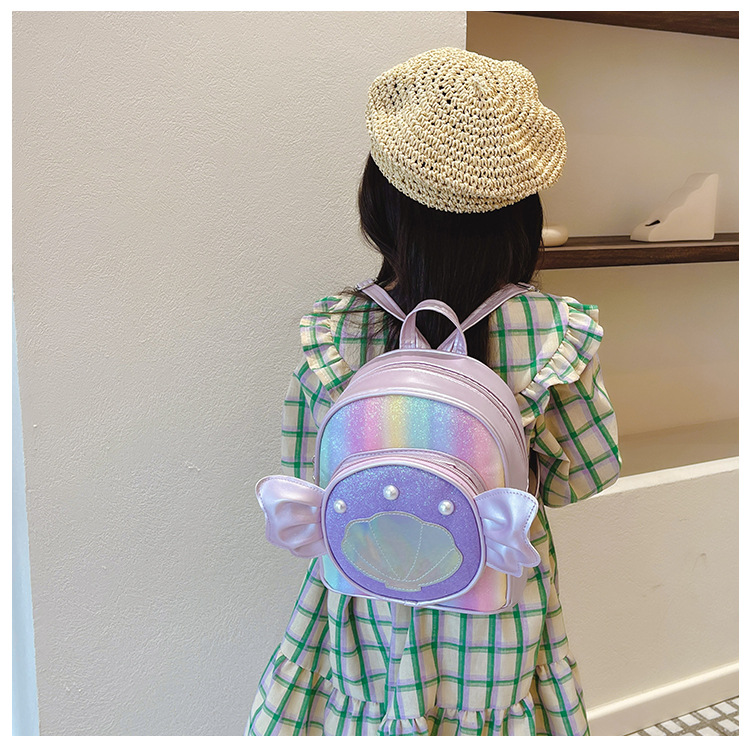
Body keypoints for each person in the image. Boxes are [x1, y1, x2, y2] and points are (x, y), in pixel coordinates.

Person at [246, 47, 620, 737]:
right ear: (522, 210)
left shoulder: (335, 329)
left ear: (380, 201)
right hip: (494, 608)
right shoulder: (555, 331)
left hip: (365, 600)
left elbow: (307, 469)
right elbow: (585, 477)